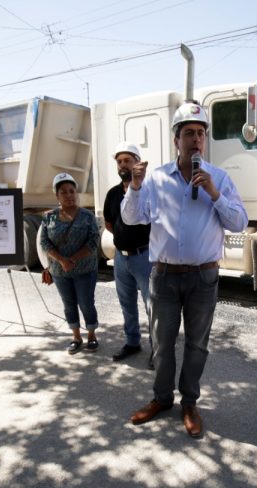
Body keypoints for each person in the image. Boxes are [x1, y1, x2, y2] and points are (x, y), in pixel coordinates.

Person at [123, 102, 248, 438]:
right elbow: (132, 218)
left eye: (201, 134)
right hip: (164, 276)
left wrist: (213, 193)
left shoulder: (219, 178)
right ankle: (161, 399)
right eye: (189, 133)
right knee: (162, 344)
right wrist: (135, 187)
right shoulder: (157, 179)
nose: (196, 139)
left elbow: (239, 222)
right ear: (176, 140)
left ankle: (189, 402)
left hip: (203, 277)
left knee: (197, 345)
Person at [39, 173, 100, 355]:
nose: (69, 195)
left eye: (72, 191)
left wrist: (72, 260)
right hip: (59, 271)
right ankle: (76, 337)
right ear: (57, 196)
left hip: (85, 270)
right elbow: (44, 242)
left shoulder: (87, 216)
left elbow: (93, 241)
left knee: (86, 303)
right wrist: (62, 260)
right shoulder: (48, 217)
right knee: (69, 304)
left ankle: (91, 334)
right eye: (63, 192)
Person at [104, 142, 153, 365]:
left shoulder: (148, 191)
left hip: (144, 257)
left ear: (137, 163)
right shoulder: (112, 194)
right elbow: (109, 223)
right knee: (127, 304)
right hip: (121, 258)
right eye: (119, 161)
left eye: (127, 160)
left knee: (152, 305)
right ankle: (133, 342)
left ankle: (158, 349)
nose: (123, 165)